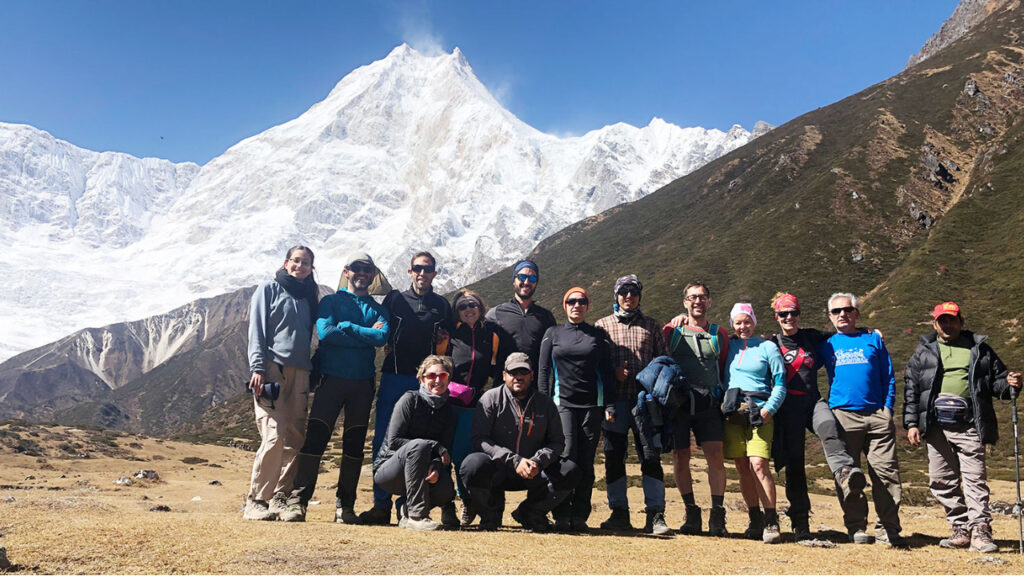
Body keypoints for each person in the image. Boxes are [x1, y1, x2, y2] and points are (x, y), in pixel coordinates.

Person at [904, 301, 1022, 552]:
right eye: (942, 320)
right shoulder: (924, 351)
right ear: (935, 323)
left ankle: (981, 530)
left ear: (961, 322)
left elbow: (998, 383)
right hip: (936, 426)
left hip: (969, 424)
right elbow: (912, 389)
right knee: (940, 480)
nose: (947, 324)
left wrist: (1011, 384)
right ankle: (960, 528)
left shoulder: (979, 349)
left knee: (974, 478)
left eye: (952, 320)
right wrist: (912, 423)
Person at [286, 252, 388, 523]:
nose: (362, 273)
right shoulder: (330, 301)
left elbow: (381, 337)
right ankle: (299, 501)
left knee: (354, 447)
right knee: (315, 440)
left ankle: (345, 507)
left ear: (373, 273)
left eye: (368, 269)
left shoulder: (378, 308)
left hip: (362, 384)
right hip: (331, 379)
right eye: (357, 268)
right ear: (347, 271)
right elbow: (326, 333)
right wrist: (363, 334)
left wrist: (348, 327)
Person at [362, 251, 453, 525]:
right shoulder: (395, 299)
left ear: (435, 273)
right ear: (410, 272)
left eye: (427, 269)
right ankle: (381, 505)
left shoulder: (442, 305)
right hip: (394, 376)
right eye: (417, 268)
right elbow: (381, 327)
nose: (422, 273)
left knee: (419, 440)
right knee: (385, 440)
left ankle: (408, 502)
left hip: (426, 382)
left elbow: (447, 340)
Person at [769, 292, 865, 541]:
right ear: (777, 317)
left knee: (829, 426)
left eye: (793, 313)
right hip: (786, 411)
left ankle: (845, 473)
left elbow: (844, 335)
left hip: (812, 402)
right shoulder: (770, 343)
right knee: (795, 466)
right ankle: (800, 522)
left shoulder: (812, 337)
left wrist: (868, 331)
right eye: (783, 314)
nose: (789, 317)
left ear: (799, 314)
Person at [817, 292, 904, 546]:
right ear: (830, 317)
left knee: (886, 473)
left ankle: (888, 529)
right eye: (836, 311)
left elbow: (888, 376)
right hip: (843, 416)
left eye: (847, 310)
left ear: (856, 313)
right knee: (849, 476)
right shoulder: (827, 344)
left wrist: (887, 408)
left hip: (877, 415)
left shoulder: (873, 340)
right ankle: (856, 528)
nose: (842, 315)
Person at [460, 352, 581, 531]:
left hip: (533, 471)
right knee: (471, 465)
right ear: (504, 375)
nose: (518, 377)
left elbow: (557, 442)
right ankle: (490, 515)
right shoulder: (490, 399)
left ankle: (530, 512)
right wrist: (514, 460)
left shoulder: (545, 404)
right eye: (512, 372)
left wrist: (538, 461)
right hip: (498, 469)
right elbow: (480, 439)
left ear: (531, 375)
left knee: (570, 470)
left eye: (523, 373)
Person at [244, 245, 319, 521]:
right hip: (272, 370)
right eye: (296, 261)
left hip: (301, 372)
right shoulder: (269, 288)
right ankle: (257, 499)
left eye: (306, 263)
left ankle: (280, 497)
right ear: (286, 263)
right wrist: (258, 368)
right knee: (273, 434)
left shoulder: (310, 296)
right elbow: (257, 330)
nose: (300, 266)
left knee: (295, 437)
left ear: (311, 268)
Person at [593, 275, 671, 535]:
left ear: (639, 295)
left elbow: (665, 362)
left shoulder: (651, 325)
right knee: (614, 457)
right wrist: (612, 375)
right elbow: (595, 365)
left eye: (634, 291)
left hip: (645, 404)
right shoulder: (601, 326)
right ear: (615, 295)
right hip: (613, 403)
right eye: (623, 291)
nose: (628, 296)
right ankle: (619, 513)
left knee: (650, 455)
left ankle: (655, 514)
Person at [538, 286, 615, 532]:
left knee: (586, 462)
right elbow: (543, 371)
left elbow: (607, 373)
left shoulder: (598, 335)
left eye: (582, 301)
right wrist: (542, 403)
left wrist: (610, 404)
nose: (576, 305)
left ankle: (580, 515)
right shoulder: (553, 333)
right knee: (565, 458)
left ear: (587, 306)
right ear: (565, 305)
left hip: (592, 406)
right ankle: (561, 513)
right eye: (571, 301)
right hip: (562, 404)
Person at [662, 282, 729, 536]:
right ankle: (691, 513)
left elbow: (722, 366)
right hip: (678, 402)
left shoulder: (718, 333)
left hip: (708, 402)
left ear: (709, 301)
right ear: (685, 303)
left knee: (715, 455)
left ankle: (717, 514)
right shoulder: (672, 330)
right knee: (680, 456)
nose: (697, 301)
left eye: (701, 297)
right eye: (692, 297)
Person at [722, 303, 786, 543]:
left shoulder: (768, 347)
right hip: (733, 412)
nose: (742, 327)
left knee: (758, 464)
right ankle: (754, 520)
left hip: (760, 410)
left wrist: (770, 409)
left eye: (747, 321)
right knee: (741, 467)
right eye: (738, 322)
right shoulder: (728, 347)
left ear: (754, 322)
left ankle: (771, 521)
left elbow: (780, 383)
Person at [373, 355, 457, 531]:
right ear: (421, 378)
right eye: (431, 376)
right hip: (390, 471)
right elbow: (393, 441)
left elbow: (445, 449)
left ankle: (404, 508)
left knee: (446, 490)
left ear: (448, 379)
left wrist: (435, 465)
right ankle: (416, 516)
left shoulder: (450, 412)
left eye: (443, 376)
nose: (437, 380)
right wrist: (433, 446)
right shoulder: (409, 400)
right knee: (420, 445)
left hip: (421, 472)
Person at [443, 288, 501, 525]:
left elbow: (497, 368)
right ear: (456, 312)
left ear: (480, 307)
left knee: (465, 457)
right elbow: (436, 363)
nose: (468, 310)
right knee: (446, 454)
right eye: (462, 306)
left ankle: (467, 501)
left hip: (474, 406)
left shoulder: (491, 335)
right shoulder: (449, 335)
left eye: (472, 305)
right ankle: (448, 507)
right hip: (448, 403)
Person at [486, 259, 556, 375]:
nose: (527, 282)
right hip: (503, 385)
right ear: (514, 280)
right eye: (522, 277)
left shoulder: (546, 317)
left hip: (534, 387)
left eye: (532, 278)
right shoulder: (495, 314)